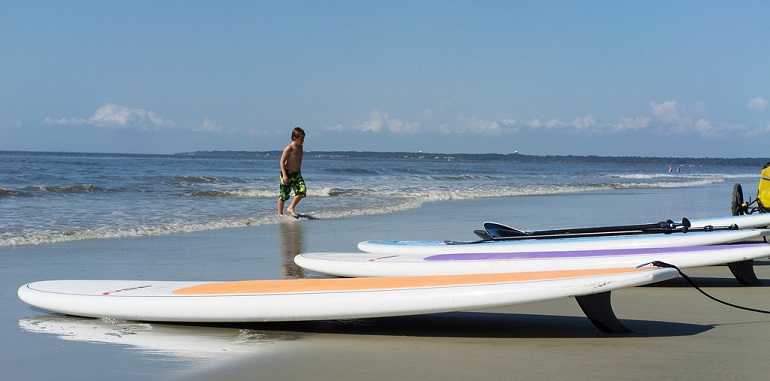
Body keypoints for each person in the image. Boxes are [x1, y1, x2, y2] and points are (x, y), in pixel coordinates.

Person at [278, 127, 306, 218]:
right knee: (284, 195)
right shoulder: (289, 148)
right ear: (295, 139)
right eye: (301, 139)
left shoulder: (301, 147)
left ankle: (291, 207)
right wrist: (285, 175)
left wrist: (299, 171)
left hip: (297, 173)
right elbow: (282, 161)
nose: (303, 141)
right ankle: (280, 214)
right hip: (287, 173)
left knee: (302, 190)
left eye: (303, 139)